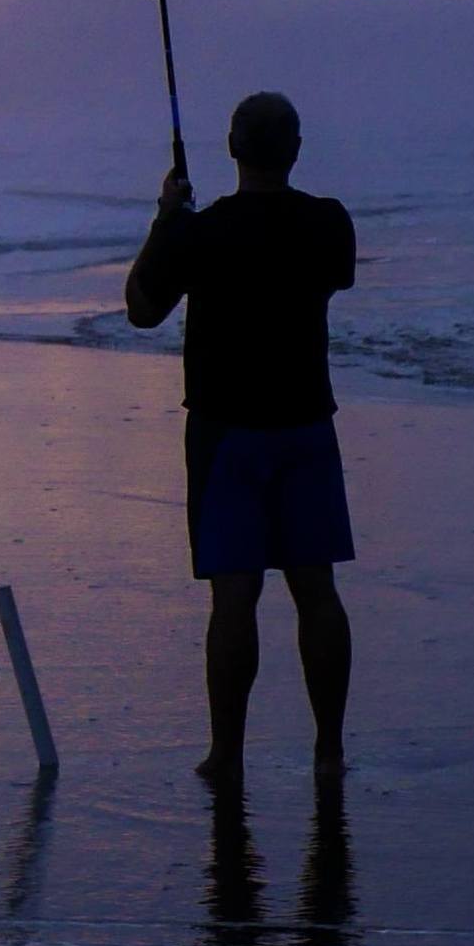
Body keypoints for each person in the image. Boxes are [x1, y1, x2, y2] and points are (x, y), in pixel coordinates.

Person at [124, 91, 356, 783]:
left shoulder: (202, 232)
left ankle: (226, 753)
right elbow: (334, 277)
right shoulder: (326, 223)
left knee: (233, 597)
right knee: (316, 590)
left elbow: (139, 309)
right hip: (307, 426)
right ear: (294, 149)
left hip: (227, 434)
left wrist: (165, 221)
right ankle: (328, 750)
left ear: (232, 148)